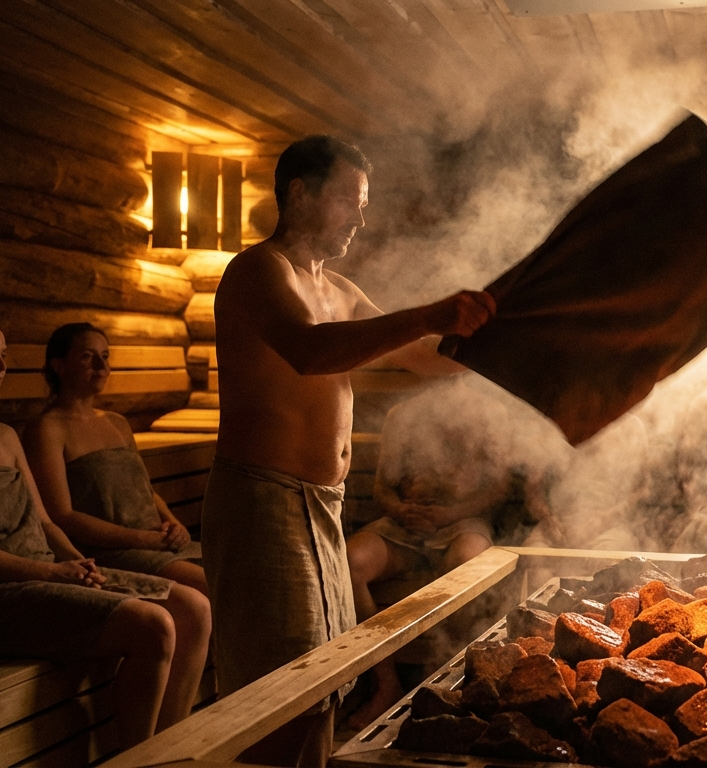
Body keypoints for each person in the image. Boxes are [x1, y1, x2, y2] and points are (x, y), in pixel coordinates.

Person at [201, 135, 494, 766]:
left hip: (322, 509)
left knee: (326, 682)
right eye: (348, 201)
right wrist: (428, 313)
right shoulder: (257, 271)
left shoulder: (339, 288)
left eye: (364, 205)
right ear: (299, 193)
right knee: (279, 692)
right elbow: (311, 351)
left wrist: (500, 344)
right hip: (263, 502)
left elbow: (425, 360)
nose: (361, 218)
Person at [0, 312, 211, 750]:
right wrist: (49, 573)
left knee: (193, 607)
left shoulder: (3, 434)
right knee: (153, 624)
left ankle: (171, 749)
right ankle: (138, 760)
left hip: (42, 575)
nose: (1, 366)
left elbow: (43, 520)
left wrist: (76, 562)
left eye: (3, 355)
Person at [345, 380, 512, 729]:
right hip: (403, 525)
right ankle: (385, 684)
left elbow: (499, 488)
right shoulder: (402, 415)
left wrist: (450, 514)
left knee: (468, 565)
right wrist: (401, 510)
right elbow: (381, 488)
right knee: (349, 563)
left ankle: (451, 683)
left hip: (462, 521)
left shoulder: (489, 414)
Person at [22, 322, 207, 595]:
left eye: (105, 356)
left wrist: (173, 523)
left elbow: (145, 490)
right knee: (212, 584)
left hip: (155, 541)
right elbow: (62, 515)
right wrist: (143, 540)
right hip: (108, 551)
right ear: (58, 365)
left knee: (242, 570)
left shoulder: (117, 423)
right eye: (87, 356)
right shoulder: (47, 428)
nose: (101, 366)